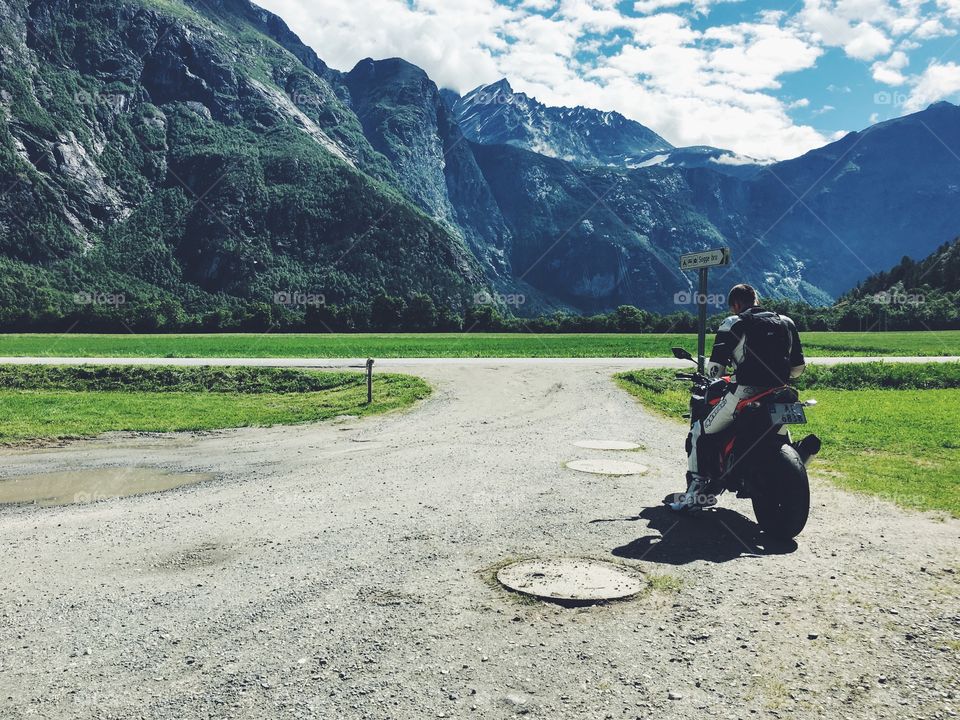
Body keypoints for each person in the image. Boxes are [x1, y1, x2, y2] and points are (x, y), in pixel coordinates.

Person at [670, 284, 806, 512]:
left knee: (699, 432)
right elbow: (798, 368)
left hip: (744, 392)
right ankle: (799, 456)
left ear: (735, 304)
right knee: (779, 432)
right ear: (756, 299)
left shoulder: (733, 323)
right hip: (783, 393)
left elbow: (715, 371)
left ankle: (694, 495)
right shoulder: (786, 321)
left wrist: (727, 373)